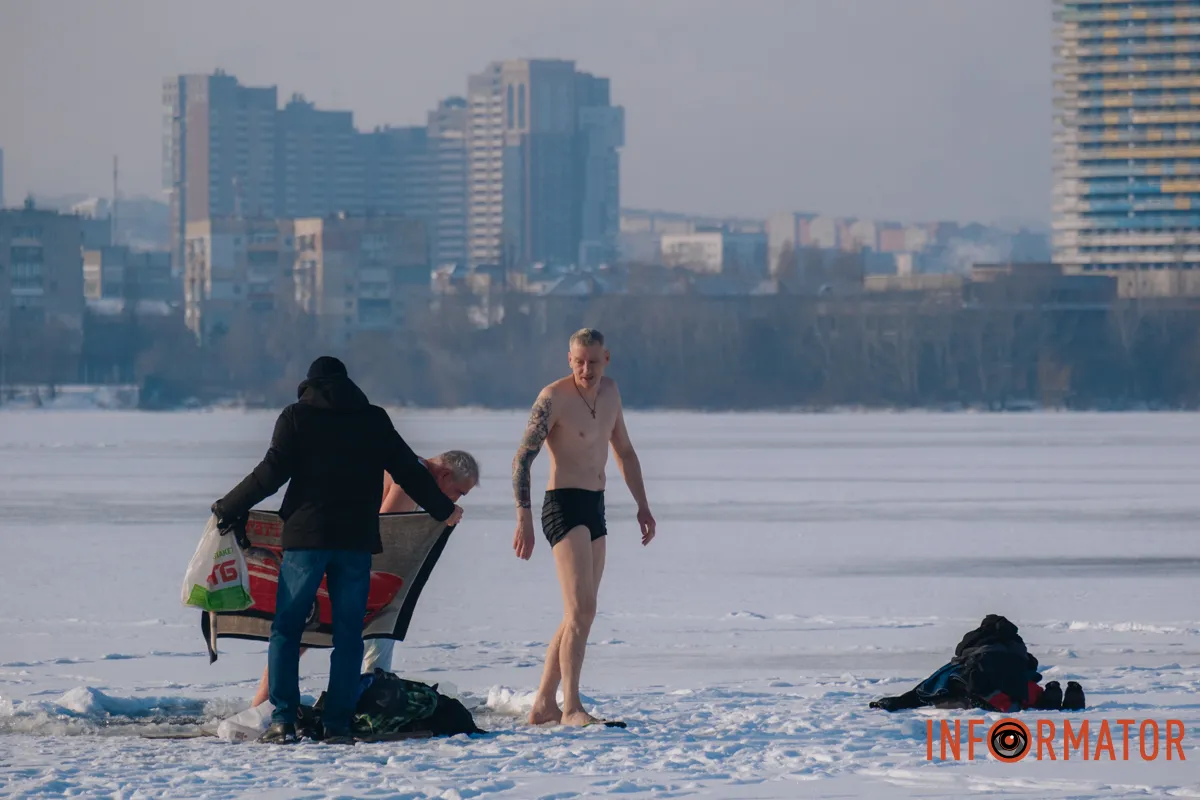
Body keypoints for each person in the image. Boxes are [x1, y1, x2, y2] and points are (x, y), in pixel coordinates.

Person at [211, 356, 463, 745]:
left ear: (309, 384)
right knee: (348, 635)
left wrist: (228, 506)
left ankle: (283, 720)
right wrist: (443, 509)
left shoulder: (296, 417)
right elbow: (409, 472)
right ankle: (338, 724)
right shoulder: (374, 419)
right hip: (355, 542)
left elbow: (271, 472)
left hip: (305, 540)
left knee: (287, 629)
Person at [246, 450, 481, 708]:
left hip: (332, 545)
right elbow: (385, 532)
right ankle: (362, 699)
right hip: (344, 558)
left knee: (324, 630)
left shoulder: (412, 468)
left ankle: (365, 694)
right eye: (458, 492)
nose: (456, 499)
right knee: (320, 629)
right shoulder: (412, 478)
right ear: (445, 475)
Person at [511, 328, 656, 727]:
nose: (586, 369)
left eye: (593, 361)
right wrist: (523, 515)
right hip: (563, 505)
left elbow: (624, 451)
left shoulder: (610, 393)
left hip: (595, 505)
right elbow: (523, 457)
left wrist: (643, 505)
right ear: (569, 359)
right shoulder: (553, 397)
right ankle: (570, 706)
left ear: (605, 358)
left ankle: (542, 704)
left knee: (580, 613)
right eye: (579, 361)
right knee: (582, 609)